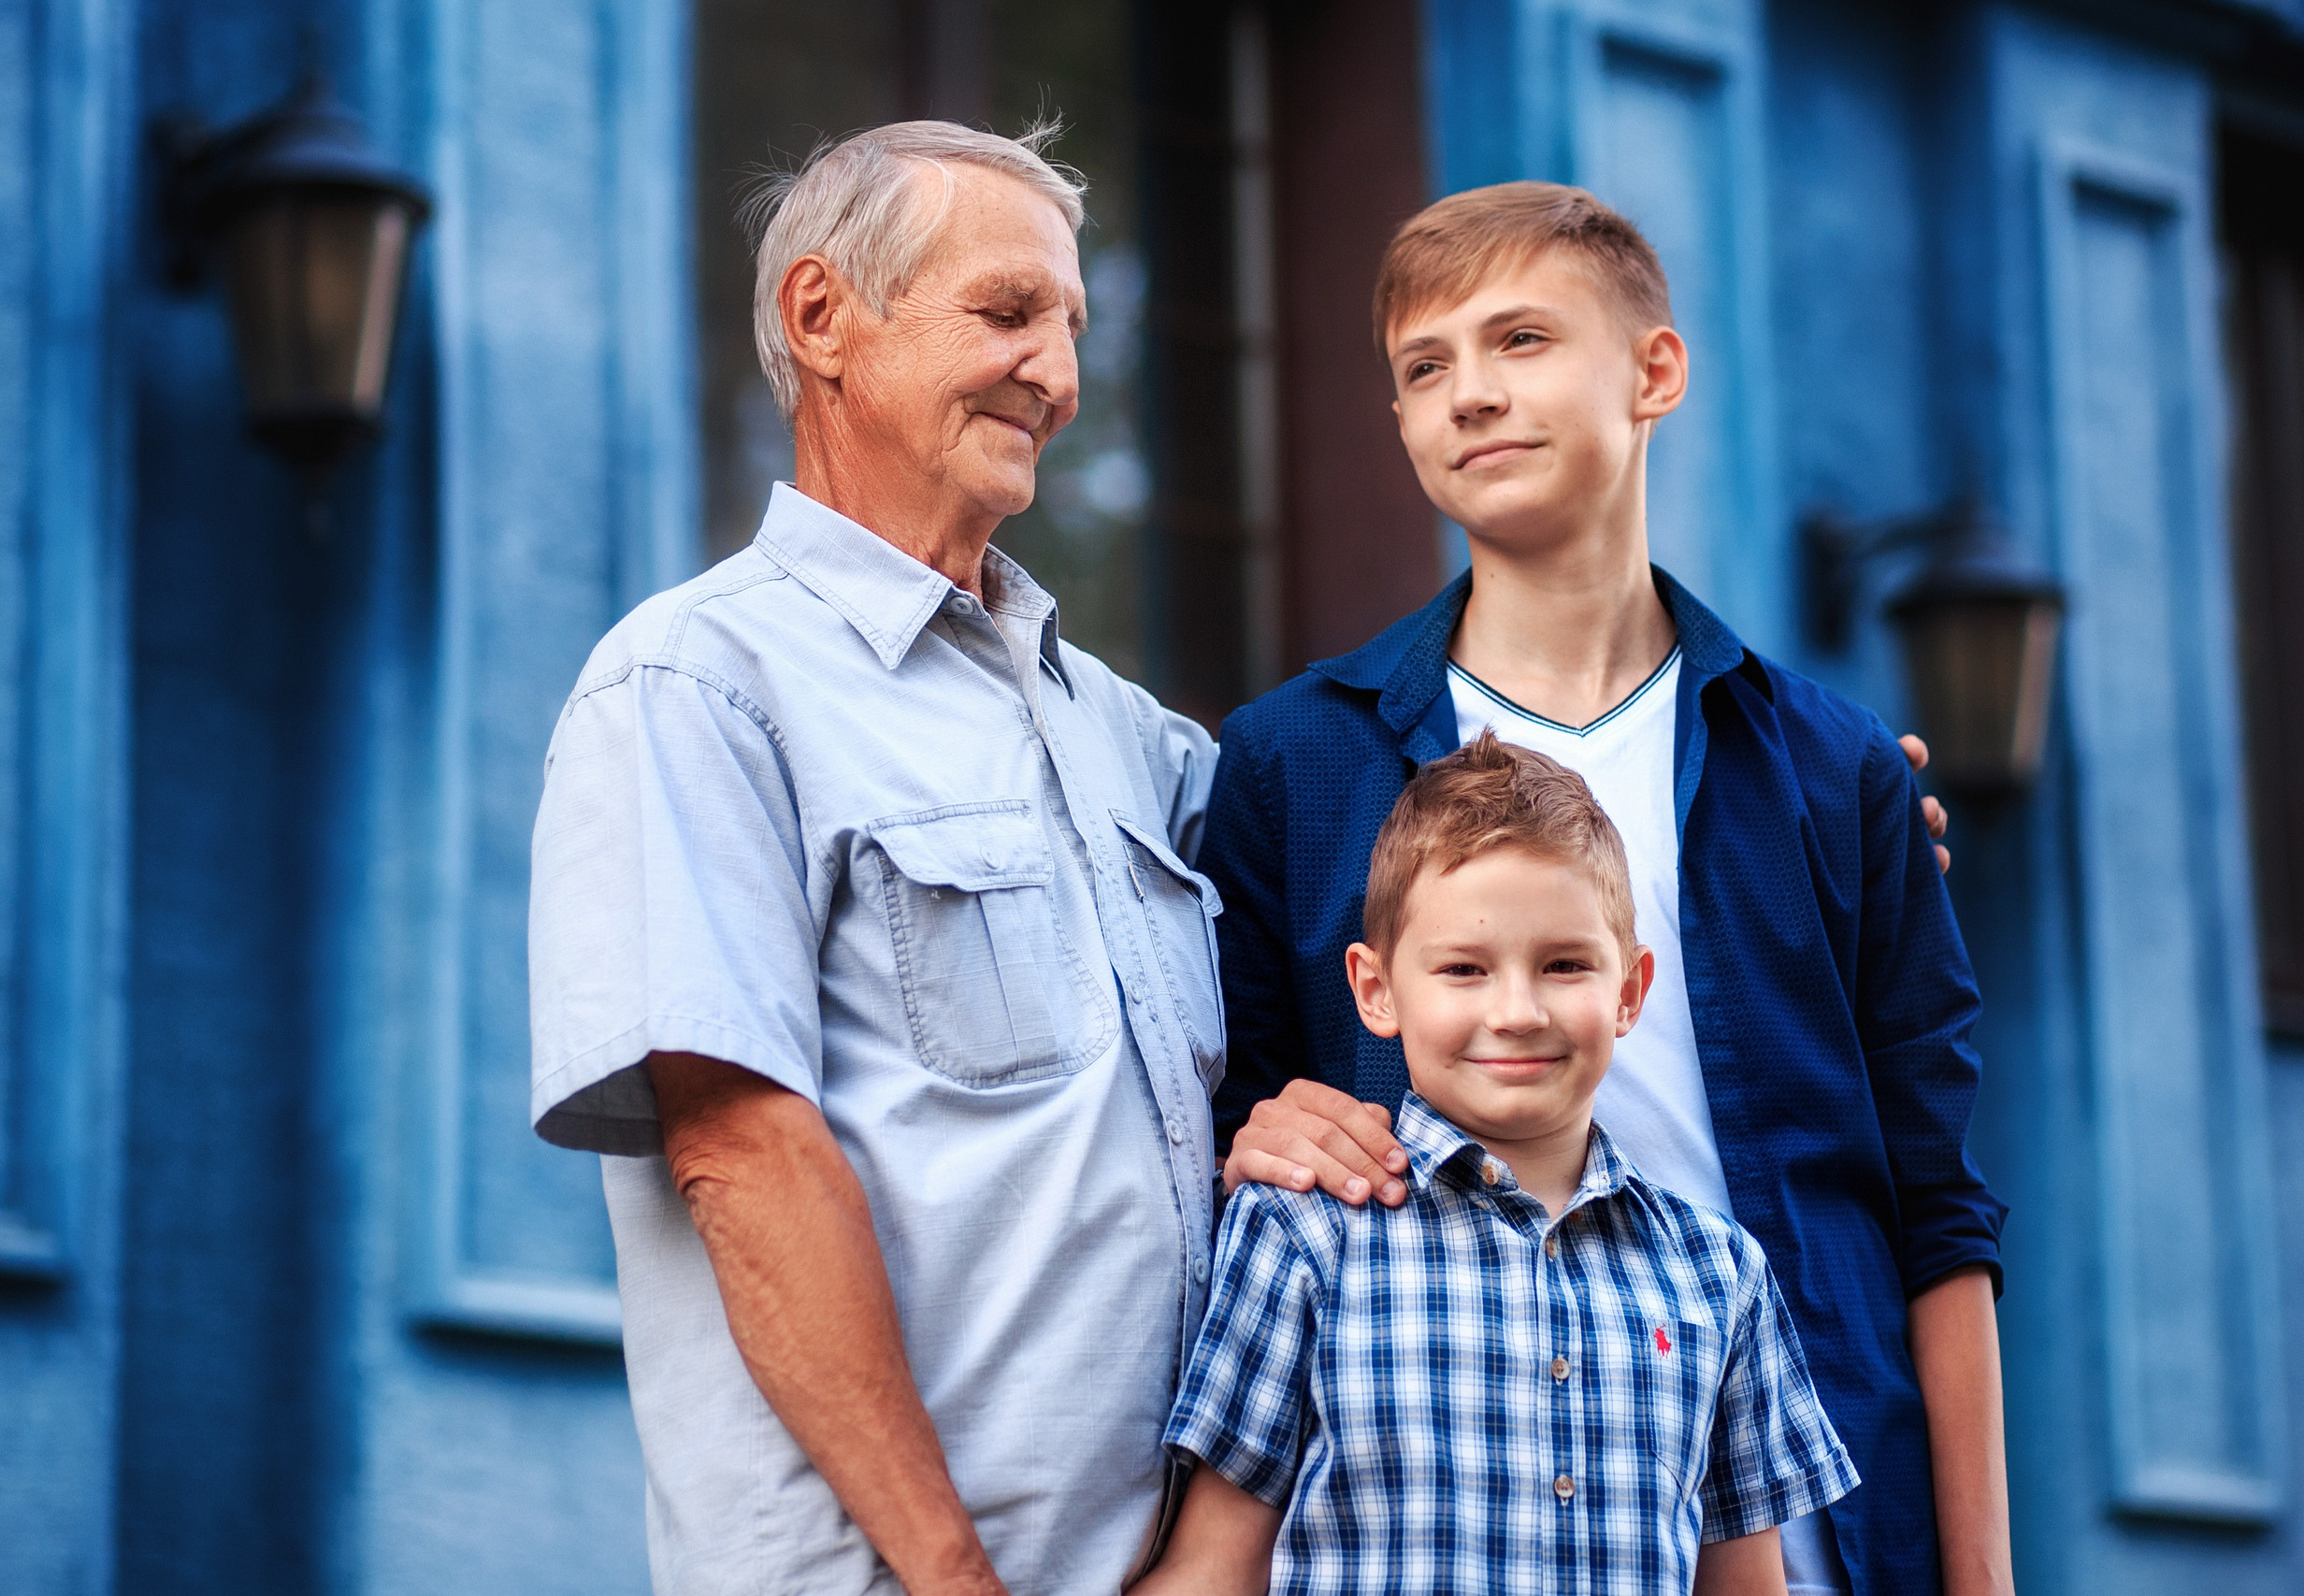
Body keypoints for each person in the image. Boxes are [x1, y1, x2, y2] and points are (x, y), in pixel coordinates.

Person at [1199, 183, 2009, 1596]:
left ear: (1655, 371)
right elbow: (1229, 1126)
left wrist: (1981, 1576)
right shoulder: (1290, 762)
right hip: (1446, 1528)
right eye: (1424, 367)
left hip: (1805, 1536)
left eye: (1519, 338)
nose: (1470, 395)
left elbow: (1937, 1209)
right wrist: (1261, 1125)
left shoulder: (1835, 770)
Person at [526, 122, 1227, 1596]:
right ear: (822, 317)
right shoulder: (695, 682)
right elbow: (742, 1152)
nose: (1062, 373)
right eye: (1009, 311)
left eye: (1074, 327)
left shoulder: (1126, 735)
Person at [1137, 735, 1857, 1596]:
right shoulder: (1300, 1234)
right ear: (1377, 990)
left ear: (1629, 989)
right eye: (1464, 970)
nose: (1516, 1011)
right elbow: (1213, 1571)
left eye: (1563, 965)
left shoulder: (1720, 1276)